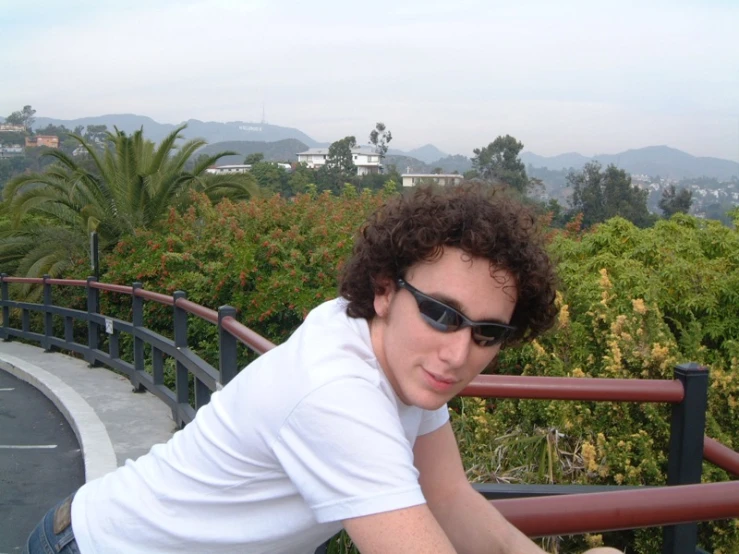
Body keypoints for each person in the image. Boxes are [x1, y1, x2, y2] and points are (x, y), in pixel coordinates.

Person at [25, 185, 622, 553]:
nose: (459, 354)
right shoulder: (335, 391)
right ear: (385, 290)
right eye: (442, 314)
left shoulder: (394, 356)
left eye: (488, 333)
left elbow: (448, 496)